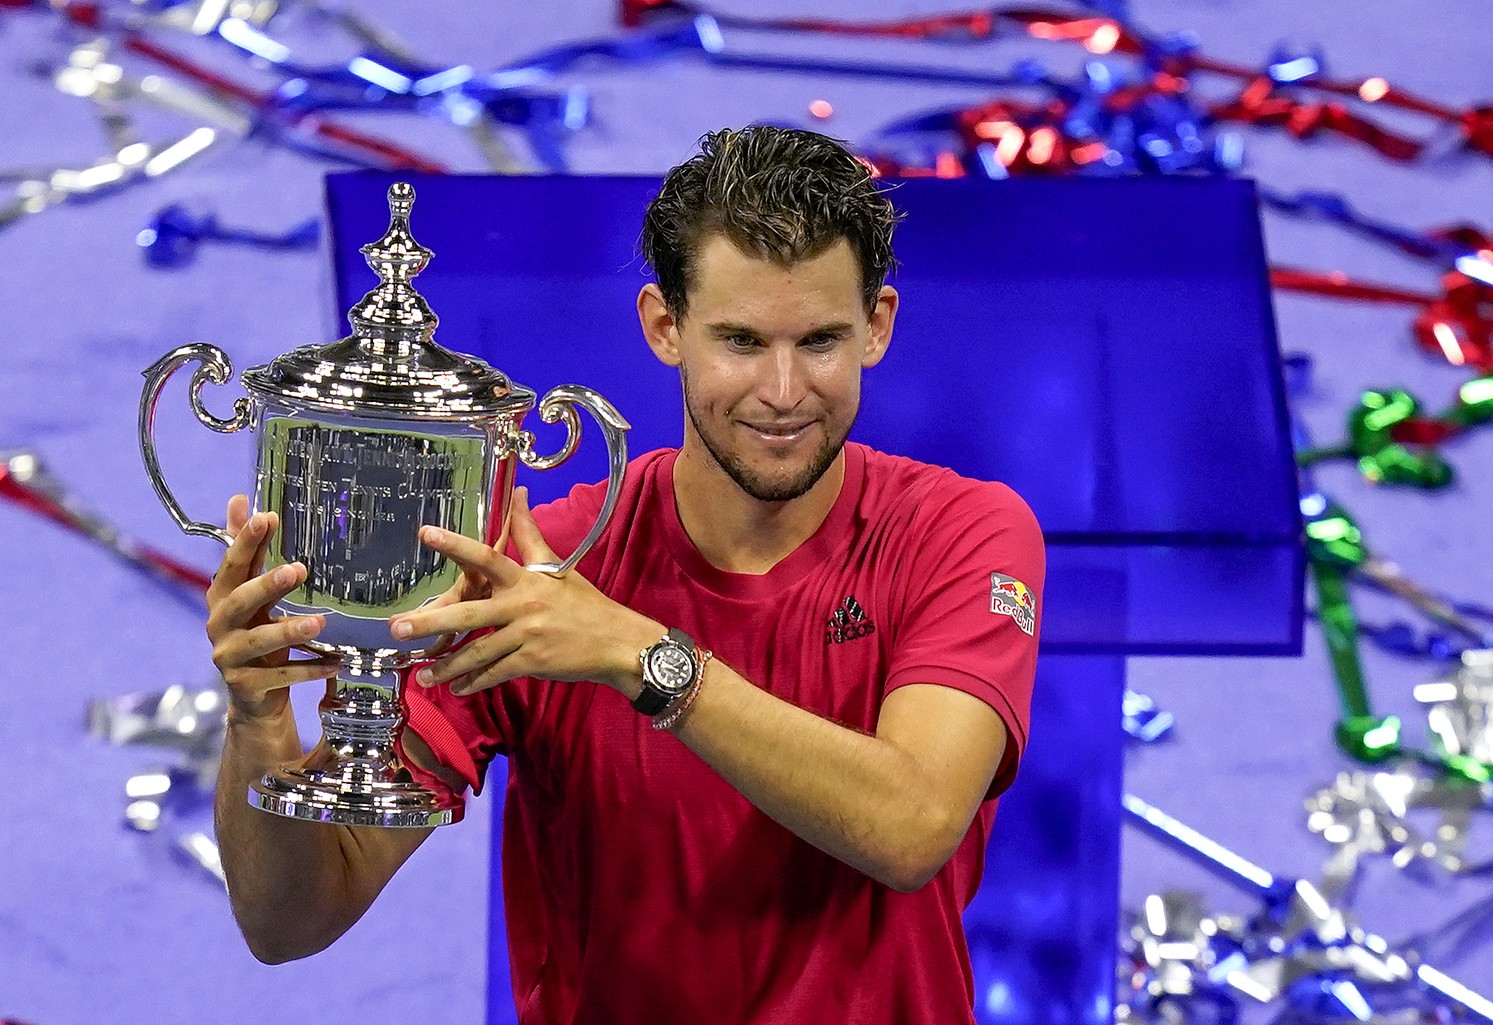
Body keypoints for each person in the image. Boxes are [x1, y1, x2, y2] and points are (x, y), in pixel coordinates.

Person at [206, 125, 1045, 1024]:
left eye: (821, 341)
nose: (784, 389)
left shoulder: (966, 533)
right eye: (742, 340)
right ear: (664, 327)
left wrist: (643, 657)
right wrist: (257, 720)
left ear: (877, 326)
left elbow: (910, 824)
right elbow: (290, 920)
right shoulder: (539, 571)